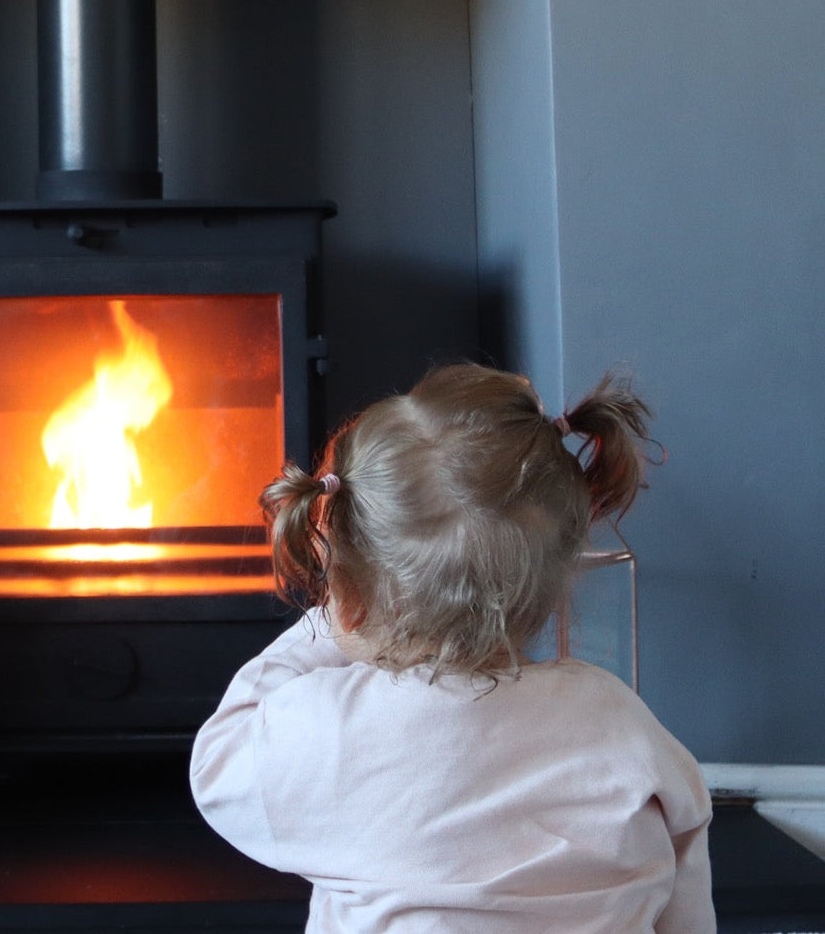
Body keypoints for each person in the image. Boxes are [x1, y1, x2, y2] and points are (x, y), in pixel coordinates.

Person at [190, 363, 713, 933]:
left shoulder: (328, 731)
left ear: (350, 597)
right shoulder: (617, 719)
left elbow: (219, 760)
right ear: (559, 579)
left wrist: (322, 623)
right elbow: (682, 878)